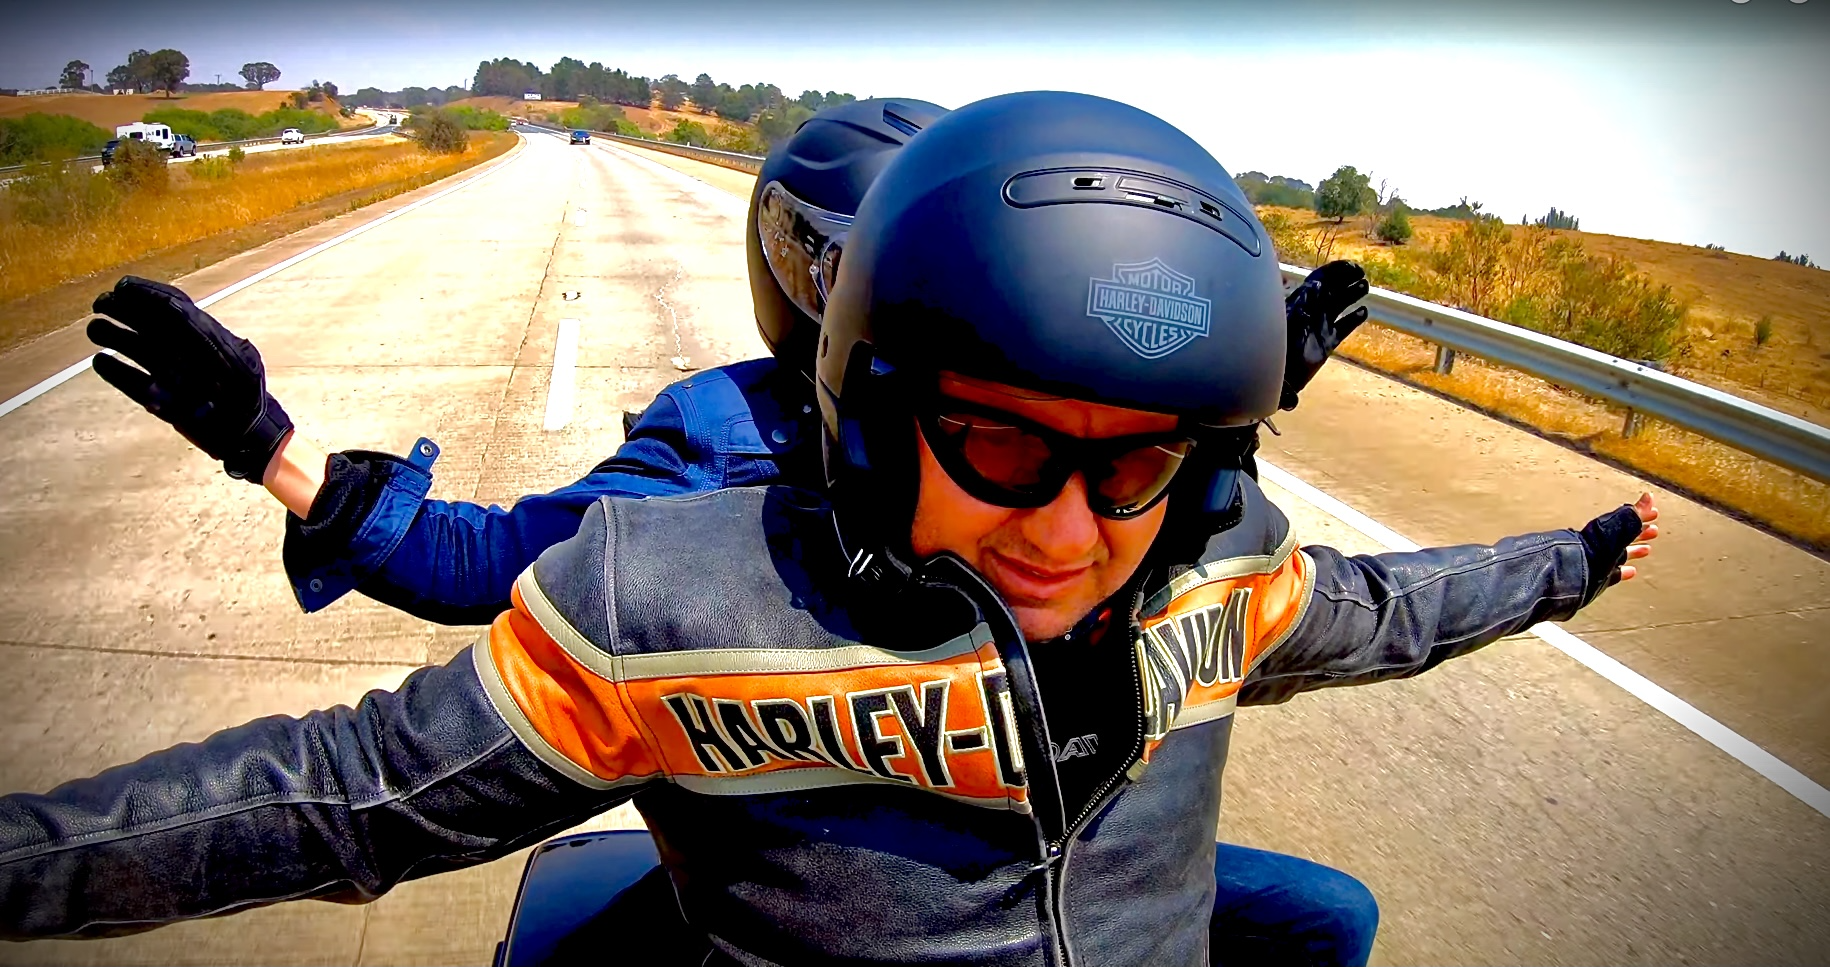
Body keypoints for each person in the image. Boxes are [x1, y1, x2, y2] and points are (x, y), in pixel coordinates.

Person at [0, 93, 1634, 966]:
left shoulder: (1214, 551)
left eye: (1130, 467)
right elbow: (346, 786)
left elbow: (1384, 605)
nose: (1068, 532)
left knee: (1328, 919)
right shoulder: (687, 541)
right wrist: (281, 456)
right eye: (998, 442)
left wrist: (1557, 556)